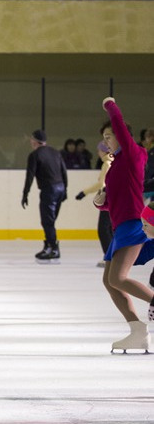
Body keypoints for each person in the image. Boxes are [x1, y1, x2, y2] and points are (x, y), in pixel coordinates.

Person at [96, 97, 154, 354]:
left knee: (118, 277)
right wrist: (101, 203)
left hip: (133, 223)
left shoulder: (133, 153)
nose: (107, 141)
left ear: (122, 136)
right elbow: (116, 199)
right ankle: (137, 330)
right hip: (120, 225)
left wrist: (110, 105)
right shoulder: (116, 164)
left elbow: (119, 124)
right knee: (110, 281)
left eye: (110, 136)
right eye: (105, 138)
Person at [21, 129, 68, 263]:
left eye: (31, 139)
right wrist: (65, 189)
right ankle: (48, 246)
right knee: (50, 221)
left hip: (49, 190)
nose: (30, 141)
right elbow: (63, 171)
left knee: (47, 221)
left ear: (35, 141)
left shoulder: (34, 155)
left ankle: (54, 249)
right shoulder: (55, 152)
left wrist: (25, 193)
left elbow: (30, 176)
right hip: (60, 188)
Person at [74, 142, 113, 268]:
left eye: (99, 150)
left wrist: (84, 192)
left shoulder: (107, 164)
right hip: (113, 199)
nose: (98, 153)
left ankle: (109, 258)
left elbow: (102, 184)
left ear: (104, 151)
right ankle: (113, 256)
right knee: (109, 229)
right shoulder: (112, 162)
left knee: (103, 229)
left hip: (108, 199)